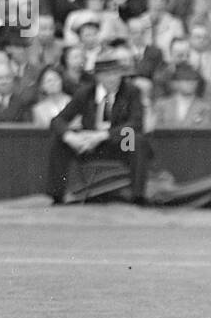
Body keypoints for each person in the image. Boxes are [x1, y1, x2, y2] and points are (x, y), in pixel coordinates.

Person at [46, 51, 153, 204]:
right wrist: (71, 137)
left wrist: (103, 135)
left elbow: (136, 123)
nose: (112, 78)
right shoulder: (85, 93)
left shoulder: (131, 92)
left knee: (136, 139)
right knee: (59, 140)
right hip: (88, 146)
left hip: (119, 144)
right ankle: (56, 196)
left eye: (115, 73)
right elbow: (57, 121)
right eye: (106, 74)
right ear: (98, 77)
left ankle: (137, 197)